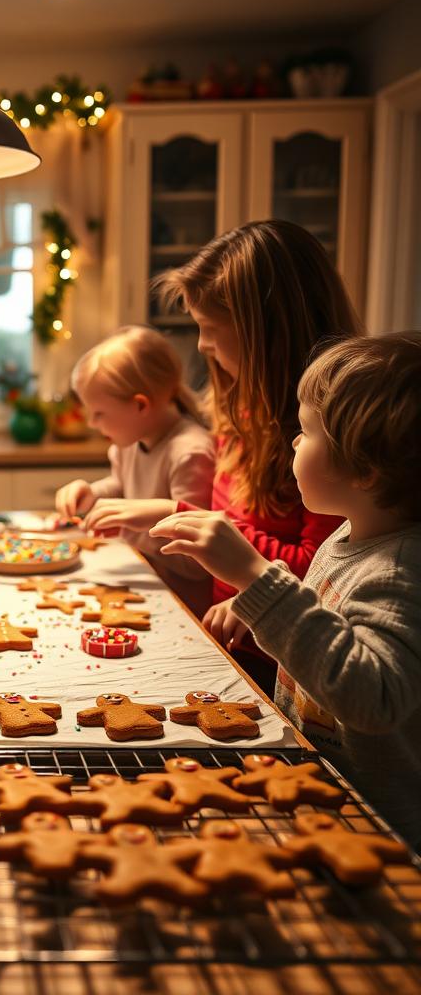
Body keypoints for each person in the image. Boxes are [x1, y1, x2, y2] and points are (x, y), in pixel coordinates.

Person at [150, 333, 421, 847]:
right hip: (323, 798)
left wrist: (255, 576)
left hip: (382, 830)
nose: (294, 443)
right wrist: (250, 602)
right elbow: (329, 625)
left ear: (364, 468)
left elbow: (373, 697)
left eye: (306, 431)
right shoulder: (346, 537)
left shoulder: (402, 570)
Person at [78, 221, 362, 691]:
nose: (202, 344)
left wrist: (185, 516)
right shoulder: (242, 408)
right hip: (223, 651)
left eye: (209, 328)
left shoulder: (324, 436)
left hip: (277, 671)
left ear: (263, 328)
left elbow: (323, 572)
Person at [54, 326, 214, 613]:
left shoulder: (189, 453)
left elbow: (195, 563)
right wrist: (90, 493)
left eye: (99, 413)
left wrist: (127, 526)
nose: (91, 423)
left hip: (182, 608)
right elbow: (122, 485)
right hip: (145, 589)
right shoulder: (128, 443)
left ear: (140, 405)